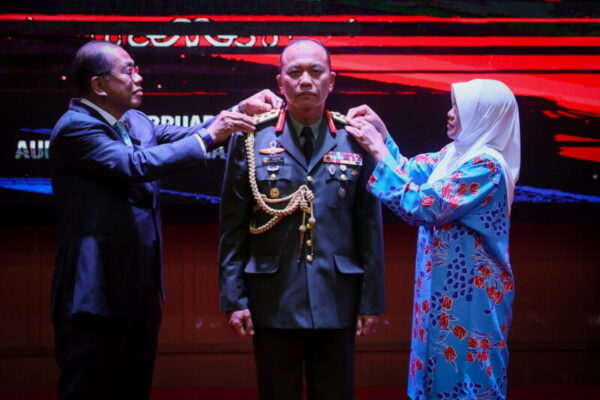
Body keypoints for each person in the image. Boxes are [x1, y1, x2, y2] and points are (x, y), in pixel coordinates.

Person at [49, 40, 282, 400]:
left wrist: (239, 111)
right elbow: (134, 165)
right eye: (129, 70)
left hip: (138, 289)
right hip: (94, 292)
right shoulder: (76, 128)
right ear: (99, 85)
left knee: (133, 387)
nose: (139, 77)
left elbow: (189, 135)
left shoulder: (135, 121)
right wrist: (211, 135)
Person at [218, 38, 385, 400]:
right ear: (280, 83)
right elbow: (232, 226)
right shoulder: (251, 137)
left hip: (337, 296)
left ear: (331, 81)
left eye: (315, 71)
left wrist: (370, 301)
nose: (305, 80)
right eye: (294, 72)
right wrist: (234, 298)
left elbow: (369, 226)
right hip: (272, 296)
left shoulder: (355, 137)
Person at [345, 78, 519, 399]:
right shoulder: (455, 154)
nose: (450, 113)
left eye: (459, 108)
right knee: (436, 372)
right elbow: (408, 172)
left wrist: (377, 148)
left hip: (471, 295)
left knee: (466, 377)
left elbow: (421, 206)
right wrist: (384, 134)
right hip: (444, 293)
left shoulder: (487, 165)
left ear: (483, 114)